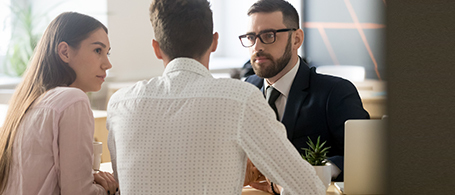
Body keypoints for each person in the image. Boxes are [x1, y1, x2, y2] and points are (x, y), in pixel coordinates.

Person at [106, 0, 324, 194]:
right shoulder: (240, 99)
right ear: (214, 42)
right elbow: (308, 188)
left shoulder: (120, 103)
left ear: (156, 48)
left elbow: (121, 183)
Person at [0, 12, 118, 195]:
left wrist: (90, 178)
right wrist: (108, 188)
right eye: (97, 51)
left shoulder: (29, 101)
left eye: (107, 53)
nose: (107, 64)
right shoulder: (73, 100)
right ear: (64, 52)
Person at [241, 0, 370, 182]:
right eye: (250, 37)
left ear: (297, 39)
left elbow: (366, 156)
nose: (257, 47)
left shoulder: (336, 93)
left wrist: (319, 171)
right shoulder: (247, 89)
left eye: (269, 35)